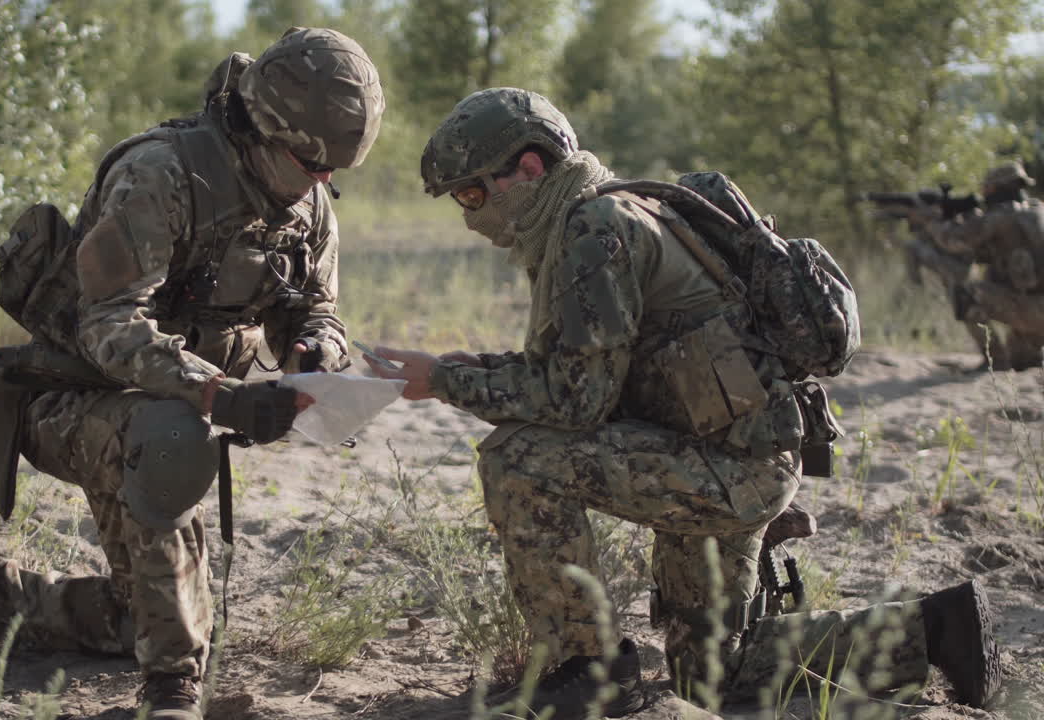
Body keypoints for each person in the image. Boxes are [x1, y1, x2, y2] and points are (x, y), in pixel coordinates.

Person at [365, 87, 1001, 716]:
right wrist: (471, 369)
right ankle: (940, 631)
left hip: (726, 471)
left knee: (519, 458)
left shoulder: (597, 227)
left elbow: (576, 401)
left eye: (473, 193)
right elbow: (587, 373)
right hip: (731, 457)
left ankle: (586, 669)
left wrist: (443, 382)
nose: (470, 215)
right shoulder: (608, 212)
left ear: (528, 168)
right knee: (711, 680)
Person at [0, 27, 383, 720]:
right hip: (72, 398)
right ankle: (171, 687)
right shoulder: (162, 174)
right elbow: (107, 326)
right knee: (173, 437)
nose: (322, 184)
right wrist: (219, 393)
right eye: (310, 163)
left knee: (134, 619)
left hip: (177, 409)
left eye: (332, 172)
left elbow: (315, 309)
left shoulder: (306, 198)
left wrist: (314, 353)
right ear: (261, 129)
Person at [930, 161, 1044, 370]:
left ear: (999, 188)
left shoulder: (1001, 216)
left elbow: (952, 241)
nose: (985, 194)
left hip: (1031, 310)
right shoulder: (1038, 210)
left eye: (988, 189)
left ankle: (996, 361)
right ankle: (1026, 352)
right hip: (1034, 310)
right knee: (1022, 362)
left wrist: (935, 220)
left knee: (966, 294)